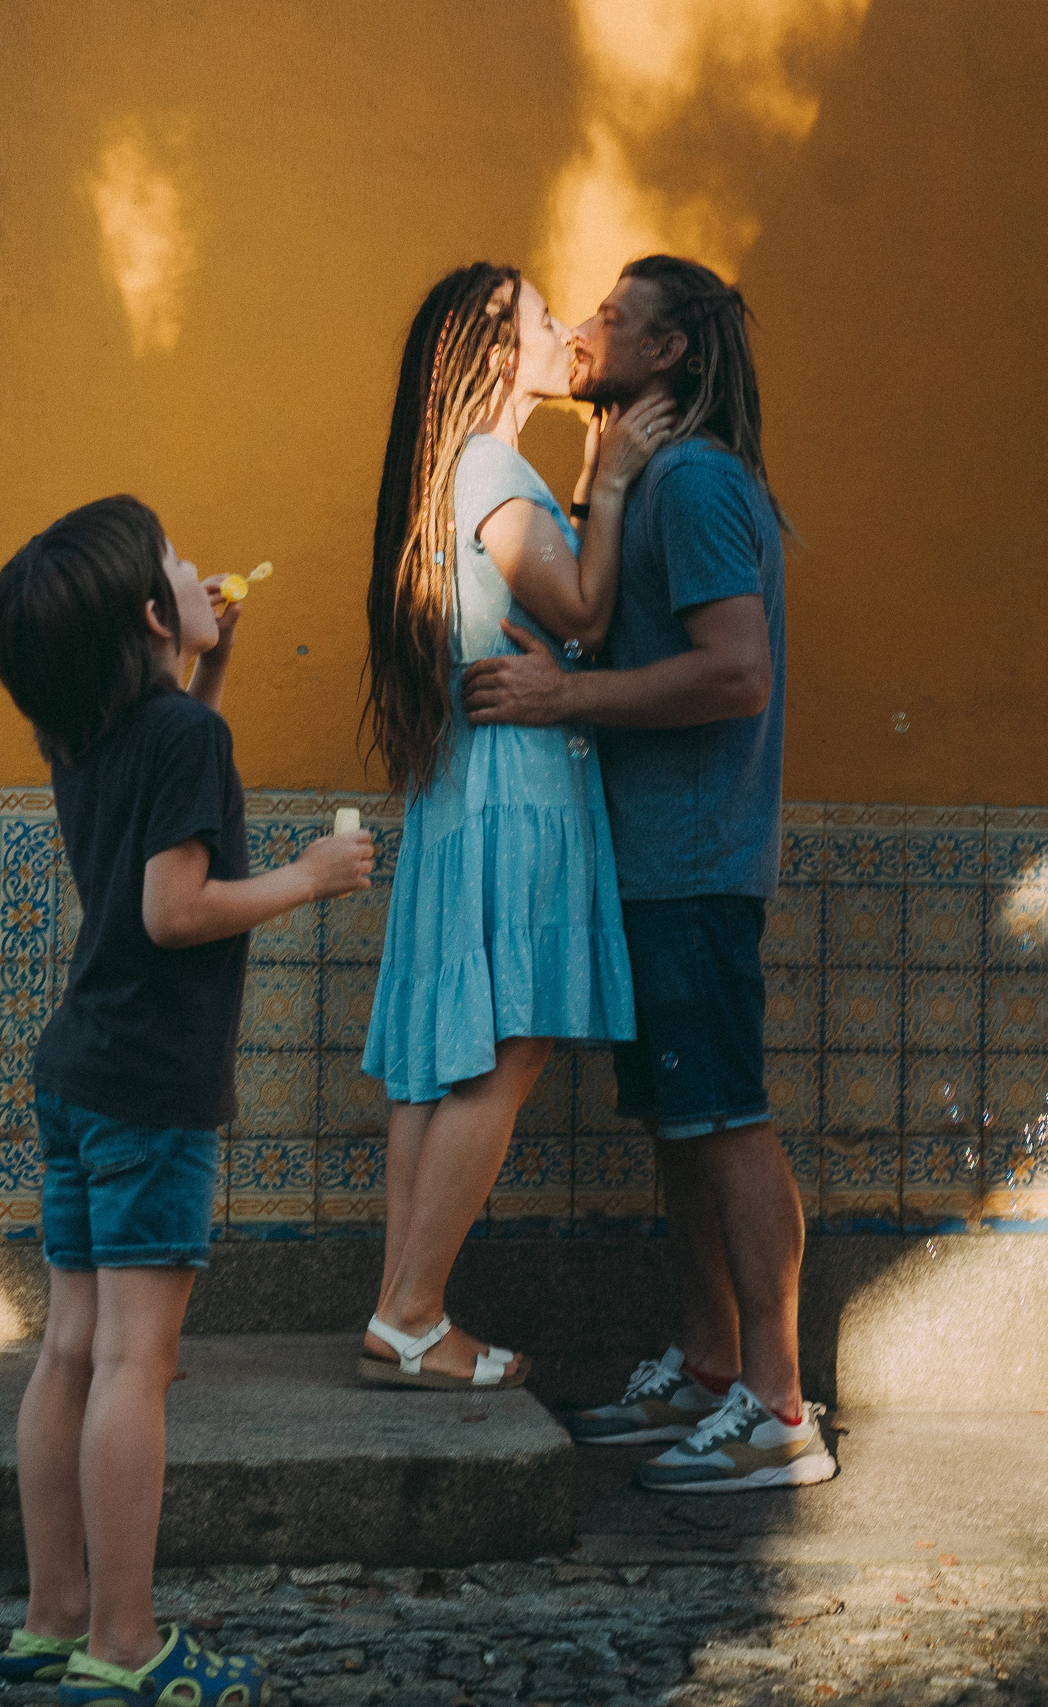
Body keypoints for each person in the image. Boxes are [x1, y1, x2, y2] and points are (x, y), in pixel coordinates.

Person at [0, 495, 376, 1706]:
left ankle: (55, 1621)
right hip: (151, 1087)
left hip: (76, 1072)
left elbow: (165, 804)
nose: (203, 566)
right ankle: (124, 1648)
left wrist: (212, 666)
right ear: (155, 615)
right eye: (177, 564)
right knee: (136, 1368)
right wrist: (308, 878)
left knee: (70, 1350)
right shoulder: (179, 742)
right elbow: (173, 908)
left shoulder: (96, 734)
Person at [464, 254, 833, 1493]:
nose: (589, 329)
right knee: (684, 1128)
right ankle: (710, 1370)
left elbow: (738, 673)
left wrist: (567, 693)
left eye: (615, 317)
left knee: (726, 1121)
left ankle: (780, 1408)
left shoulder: (691, 481)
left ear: (668, 354)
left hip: (692, 861)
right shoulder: (647, 472)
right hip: (652, 862)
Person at [356, 263, 672, 1388]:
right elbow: (581, 608)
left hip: (465, 786)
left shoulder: (461, 468)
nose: (563, 328)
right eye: (544, 318)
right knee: (503, 1046)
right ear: (500, 357)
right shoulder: (495, 468)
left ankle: (401, 1314)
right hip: (515, 789)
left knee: (440, 1063)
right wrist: (610, 479)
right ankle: (413, 1313)